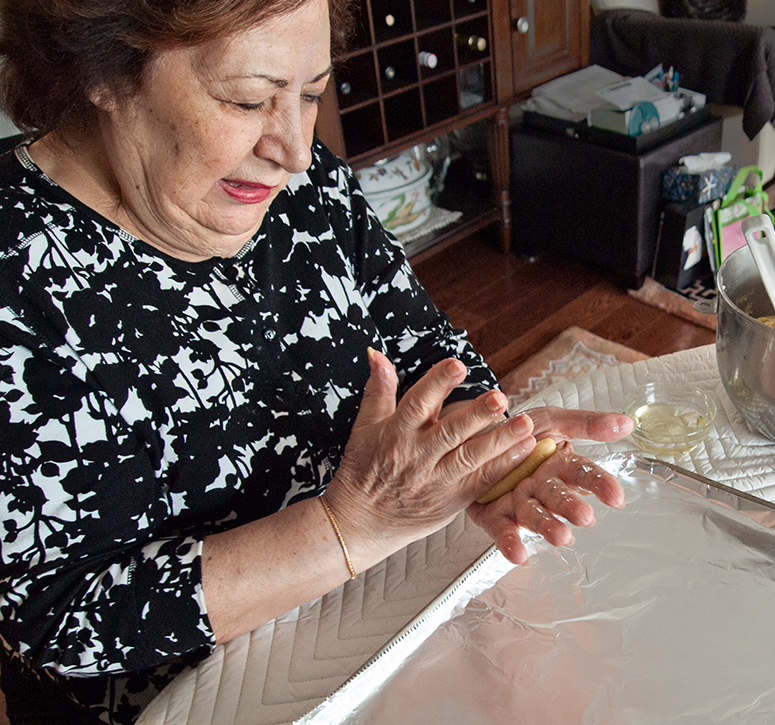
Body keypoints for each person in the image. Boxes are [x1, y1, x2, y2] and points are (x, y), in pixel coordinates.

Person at [0, 0, 636, 722]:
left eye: (309, 95)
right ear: (101, 70)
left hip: (376, 611)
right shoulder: (17, 282)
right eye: (246, 99)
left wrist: (490, 448)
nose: (295, 150)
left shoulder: (306, 193)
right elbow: (59, 616)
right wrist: (344, 529)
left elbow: (428, 352)